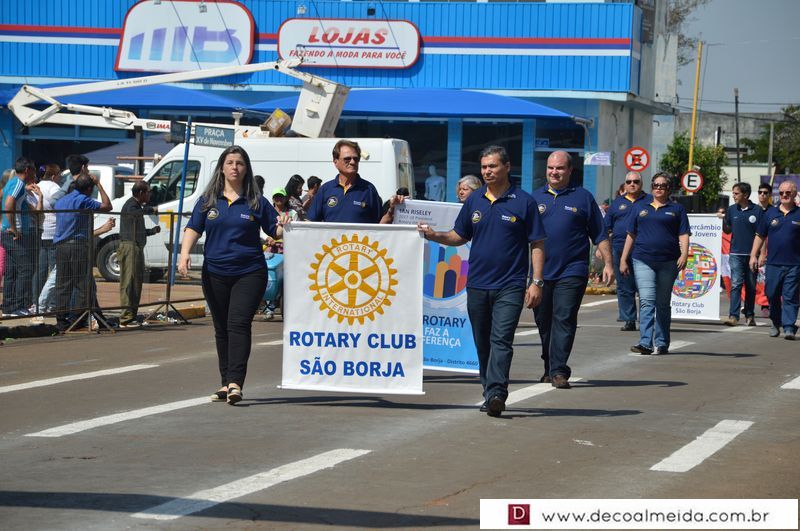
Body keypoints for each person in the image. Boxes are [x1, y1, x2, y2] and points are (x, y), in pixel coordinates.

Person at [418, 145, 546, 417]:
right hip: (476, 285)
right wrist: (434, 235)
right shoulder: (475, 200)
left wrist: (536, 282)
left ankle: (498, 391)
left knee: (501, 339)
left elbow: (537, 243)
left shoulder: (524, 202)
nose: (487, 171)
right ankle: (489, 391)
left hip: (510, 285)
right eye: (484, 167)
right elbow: (459, 236)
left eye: (493, 166)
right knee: (483, 342)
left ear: (507, 167)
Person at [178, 146, 287, 405]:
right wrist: (184, 255)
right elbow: (193, 228)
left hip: (249, 272)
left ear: (246, 168)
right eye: (230, 162)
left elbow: (275, 231)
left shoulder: (256, 201)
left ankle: (236, 382)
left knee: (238, 324)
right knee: (221, 328)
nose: (235, 167)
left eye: (239, 163)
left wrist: (283, 223)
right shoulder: (208, 200)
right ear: (222, 168)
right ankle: (226, 382)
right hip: (215, 272)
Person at [531, 151, 613, 389]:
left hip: (572, 270)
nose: (554, 172)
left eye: (559, 168)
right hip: (541, 272)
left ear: (570, 170)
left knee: (564, 317)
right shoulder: (534, 198)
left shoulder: (583, 198)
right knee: (544, 321)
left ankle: (559, 370)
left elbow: (599, 233)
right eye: (550, 168)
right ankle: (549, 364)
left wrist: (608, 264)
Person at [620, 172, 690, 355]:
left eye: (662, 185)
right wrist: (623, 259)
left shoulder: (677, 209)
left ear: (669, 188)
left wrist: (684, 254)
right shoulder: (640, 207)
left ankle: (662, 341)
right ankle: (645, 342)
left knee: (663, 303)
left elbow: (683, 234)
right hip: (642, 259)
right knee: (646, 301)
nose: (658, 188)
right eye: (655, 185)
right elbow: (631, 234)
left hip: (669, 261)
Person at [53, 157, 112, 331]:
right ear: (88, 189)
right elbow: (107, 205)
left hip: (61, 246)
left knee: (63, 284)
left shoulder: (61, 201)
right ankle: (77, 319)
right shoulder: (83, 200)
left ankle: (62, 320)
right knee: (82, 284)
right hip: (77, 245)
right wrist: (99, 184)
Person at [307, 140, 401, 224]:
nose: (352, 162)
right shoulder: (325, 190)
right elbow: (310, 224)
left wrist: (392, 210)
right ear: (335, 162)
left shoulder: (369, 189)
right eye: (347, 159)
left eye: (356, 159)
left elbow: (380, 226)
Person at [750, 180, 799, 340]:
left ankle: (789, 327)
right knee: (771, 293)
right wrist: (753, 255)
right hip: (773, 264)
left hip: (794, 264)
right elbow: (760, 235)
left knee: (790, 296)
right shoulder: (770, 213)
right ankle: (775, 322)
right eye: (782, 192)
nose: (784, 195)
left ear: (794, 194)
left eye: (788, 192)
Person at [604, 171, 650, 332]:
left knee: (644, 285)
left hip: (643, 249)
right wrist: (601, 249)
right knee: (624, 286)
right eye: (629, 181)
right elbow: (606, 227)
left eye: (636, 181)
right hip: (619, 248)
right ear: (625, 184)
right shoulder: (617, 203)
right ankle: (628, 319)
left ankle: (646, 319)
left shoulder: (650, 201)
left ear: (641, 184)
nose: (632, 184)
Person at [2, 157, 42, 317]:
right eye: (33, 170)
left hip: (8, 232)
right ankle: (18, 306)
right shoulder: (18, 184)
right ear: (27, 170)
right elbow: (9, 203)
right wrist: (13, 227)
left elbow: (7, 197)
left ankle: (9, 307)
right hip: (12, 233)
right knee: (26, 268)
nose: (34, 173)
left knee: (12, 271)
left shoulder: (14, 184)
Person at [719, 182, 762, 327]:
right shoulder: (731, 210)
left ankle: (750, 315)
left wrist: (759, 254)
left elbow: (762, 234)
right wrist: (721, 219)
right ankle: (733, 316)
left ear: (746, 195)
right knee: (736, 284)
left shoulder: (757, 211)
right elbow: (727, 230)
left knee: (750, 286)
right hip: (735, 254)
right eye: (733, 193)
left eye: (736, 193)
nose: (734, 196)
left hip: (752, 255)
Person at [118, 181, 160, 327]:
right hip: (130, 248)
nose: (150, 195)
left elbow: (137, 229)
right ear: (141, 193)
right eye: (148, 192)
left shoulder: (136, 206)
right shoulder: (131, 205)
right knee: (129, 282)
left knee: (136, 283)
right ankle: (126, 318)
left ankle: (132, 316)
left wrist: (152, 231)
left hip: (136, 247)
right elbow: (134, 214)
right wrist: (151, 209)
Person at [33, 163, 65, 316]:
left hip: (40, 231)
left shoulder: (37, 186)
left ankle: (36, 302)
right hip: (53, 232)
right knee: (54, 271)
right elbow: (60, 205)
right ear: (53, 176)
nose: (60, 179)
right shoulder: (54, 187)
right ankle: (51, 304)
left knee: (40, 270)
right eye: (59, 176)